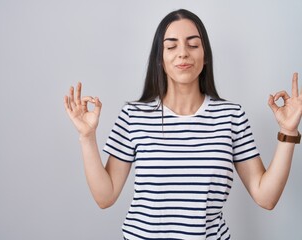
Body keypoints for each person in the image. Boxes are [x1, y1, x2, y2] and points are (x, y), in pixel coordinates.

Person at [63, 9, 301, 240]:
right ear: (160, 58)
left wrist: (288, 131)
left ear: (205, 55)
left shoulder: (231, 116)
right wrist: (87, 137)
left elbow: (266, 197)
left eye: (193, 45)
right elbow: (105, 197)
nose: (183, 53)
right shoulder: (133, 115)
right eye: (171, 46)